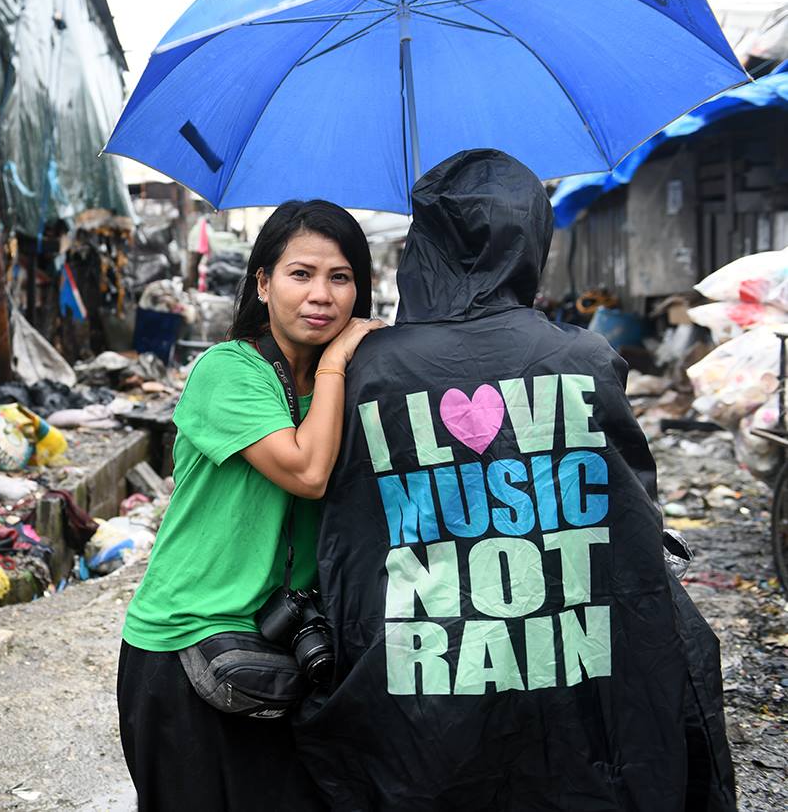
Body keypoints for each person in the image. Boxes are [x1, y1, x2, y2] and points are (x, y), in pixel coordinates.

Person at [294, 149, 735, 811]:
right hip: (571, 666)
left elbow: (348, 537)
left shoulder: (372, 366)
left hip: (426, 683)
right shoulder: (585, 358)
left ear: (424, 248)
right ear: (532, 240)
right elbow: (629, 512)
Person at [116, 199, 384, 811]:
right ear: (263, 284)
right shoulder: (228, 371)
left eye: (340, 277)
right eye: (301, 274)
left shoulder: (352, 383)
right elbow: (307, 471)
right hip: (186, 647)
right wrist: (337, 361)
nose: (321, 295)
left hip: (287, 647)